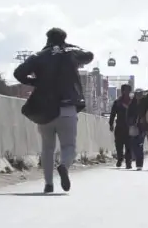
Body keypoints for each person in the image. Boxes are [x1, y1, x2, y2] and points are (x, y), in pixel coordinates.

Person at [13, 27, 92, 193]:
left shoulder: (39, 56)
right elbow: (89, 55)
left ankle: (48, 184)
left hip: (45, 110)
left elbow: (18, 73)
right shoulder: (71, 52)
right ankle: (64, 166)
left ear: (47, 39)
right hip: (67, 107)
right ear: (64, 39)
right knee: (69, 146)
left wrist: (36, 82)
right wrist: (69, 46)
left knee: (47, 148)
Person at [108, 84, 134, 169]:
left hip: (129, 127)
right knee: (119, 144)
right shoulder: (117, 102)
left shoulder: (132, 102)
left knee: (129, 145)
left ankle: (128, 162)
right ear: (122, 91)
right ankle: (120, 159)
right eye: (124, 90)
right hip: (119, 126)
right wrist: (111, 124)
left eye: (128, 90)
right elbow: (112, 114)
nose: (126, 92)